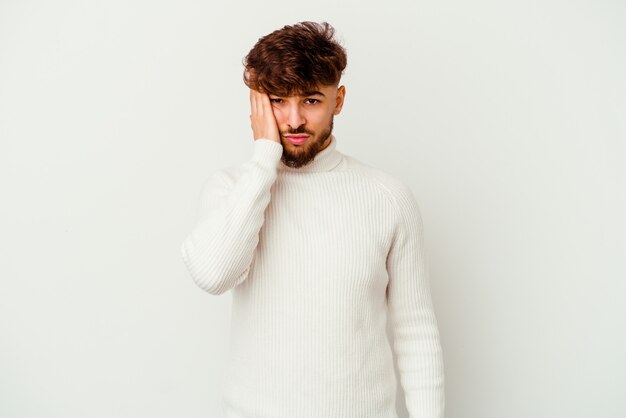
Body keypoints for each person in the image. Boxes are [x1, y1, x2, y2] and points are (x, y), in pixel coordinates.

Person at [180, 21, 444, 418]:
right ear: (257, 104)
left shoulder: (387, 197)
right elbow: (213, 275)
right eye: (278, 101)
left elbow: (416, 330)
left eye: (310, 101)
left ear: (338, 101)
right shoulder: (234, 189)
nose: (294, 120)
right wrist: (264, 159)